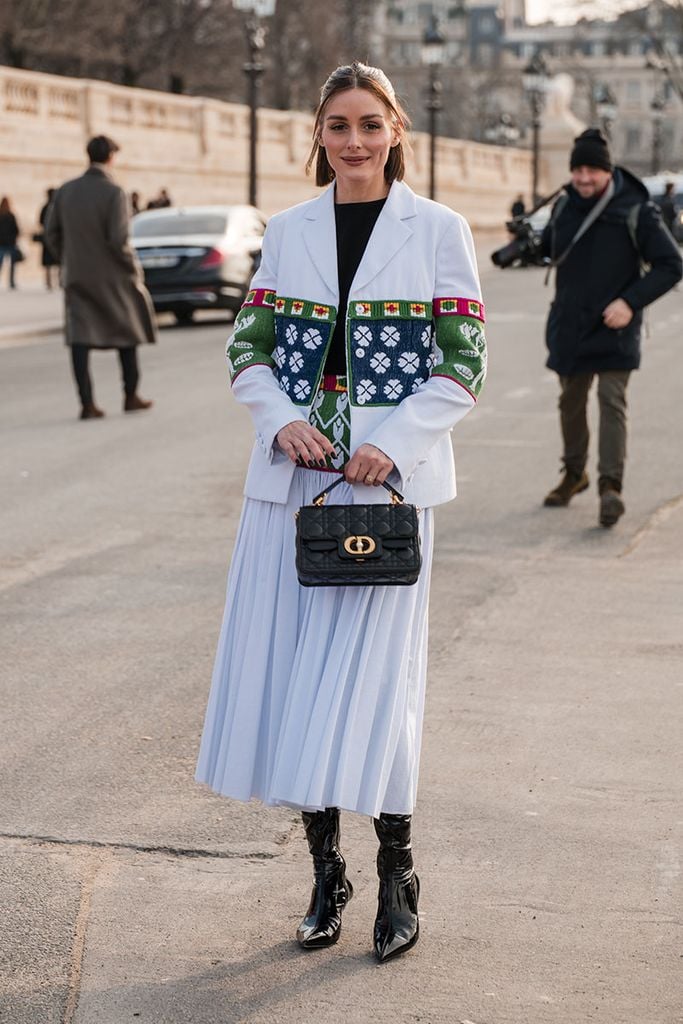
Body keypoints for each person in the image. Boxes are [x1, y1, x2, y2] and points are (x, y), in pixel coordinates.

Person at [195, 61, 487, 962]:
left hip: (386, 496)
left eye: (368, 123)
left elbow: (463, 360)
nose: (353, 140)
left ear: (396, 129)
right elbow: (248, 348)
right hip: (293, 492)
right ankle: (327, 872)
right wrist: (281, 422)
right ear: (316, 135)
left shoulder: (438, 229)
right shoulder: (286, 233)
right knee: (295, 683)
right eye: (337, 125)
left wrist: (391, 443)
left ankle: (396, 868)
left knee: (375, 686)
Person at [541, 128, 682, 526]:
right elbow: (551, 249)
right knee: (570, 401)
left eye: (592, 171)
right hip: (570, 323)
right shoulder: (564, 205)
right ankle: (574, 474)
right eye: (577, 170)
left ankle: (610, 488)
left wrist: (629, 302)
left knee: (610, 399)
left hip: (615, 323)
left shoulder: (636, 208)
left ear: (608, 171)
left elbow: (672, 265)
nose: (584, 178)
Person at [46, 135, 156, 420]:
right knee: (127, 333)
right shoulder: (114, 192)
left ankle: (87, 403)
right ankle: (130, 395)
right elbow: (119, 239)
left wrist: (68, 259)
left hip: (77, 274)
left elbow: (51, 233)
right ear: (110, 157)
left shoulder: (65, 191)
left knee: (79, 339)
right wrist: (133, 270)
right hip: (113, 276)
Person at [35, 188, 59, 290]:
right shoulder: (57, 207)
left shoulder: (46, 207)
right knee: (58, 261)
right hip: (56, 237)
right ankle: (59, 281)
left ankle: (49, 282)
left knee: (49, 263)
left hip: (47, 237)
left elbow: (40, 221)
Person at [0, 196, 21, 289]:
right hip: (8, 243)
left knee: (5, 263)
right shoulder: (10, 216)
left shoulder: (10, 216)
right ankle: (11, 282)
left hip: (5, 243)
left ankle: (12, 282)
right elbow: (16, 230)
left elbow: (16, 229)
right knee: (12, 265)